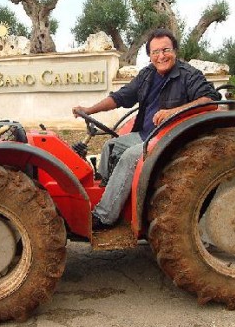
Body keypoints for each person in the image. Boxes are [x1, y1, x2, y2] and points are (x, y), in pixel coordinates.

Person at [72, 28, 221, 230]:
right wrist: (89, 109)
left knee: (131, 157)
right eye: (155, 52)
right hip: (146, 134)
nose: (161, 56)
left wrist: (173, 112)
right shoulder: (147, 75)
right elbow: (120, 97)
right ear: (150, 56)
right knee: (111, 146)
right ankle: (112, 196)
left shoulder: (188, 75)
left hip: (169, 139)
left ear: (174, 51)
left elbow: (210, 99)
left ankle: (104, 216)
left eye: (165, 50)